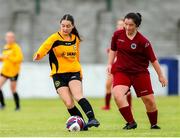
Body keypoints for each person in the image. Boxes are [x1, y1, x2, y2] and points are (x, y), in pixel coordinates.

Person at [33, 14, 100, 130]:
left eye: (68, 26)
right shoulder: (54, 38)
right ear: (60, 25)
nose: (65, 28)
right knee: (69, 103)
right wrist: (38, 55)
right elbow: (45, 47)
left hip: (74, 72)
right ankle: (82, 125)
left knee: (78, 96)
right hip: (58, 75)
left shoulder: (75, 39)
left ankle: (92, 118)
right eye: (63, 26)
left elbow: (77, 58)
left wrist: (81, 73)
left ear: (72, 26)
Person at [107, 12, 167, 129]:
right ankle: (131, 122)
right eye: (126, 24)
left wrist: (161, 76)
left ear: (137, 26)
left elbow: (153, 60)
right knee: (117, 94)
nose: (127, 28)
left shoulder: (143, 42)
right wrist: (109, 64)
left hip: (140, 73)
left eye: (131, 25)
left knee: (149, 101)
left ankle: (153, 124)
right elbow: (113, 49)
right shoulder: (117, 35)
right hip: (122, 72)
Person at [101, 19, 132, 110]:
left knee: (126, 87)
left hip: (123, 65)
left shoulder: (128, 36)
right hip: (114, 64)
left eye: (121, 24)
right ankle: (107, 106)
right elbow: (113, 49)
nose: (119, 26)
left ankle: (129, 106)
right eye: (118, 24)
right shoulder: (115, 36)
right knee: (108, 84)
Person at [0, 32, 23, 111]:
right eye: (7, 37)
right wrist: (2, 58)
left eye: (11, 37)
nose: (9, 39)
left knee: (13, 89)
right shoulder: (6, 47)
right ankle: (2, 105)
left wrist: (9, 57)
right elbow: (4, 57)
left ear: (13, 38)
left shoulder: (16, 47)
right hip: (5, 71)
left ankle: (17, 107)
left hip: (13, 72)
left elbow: (19, 59)